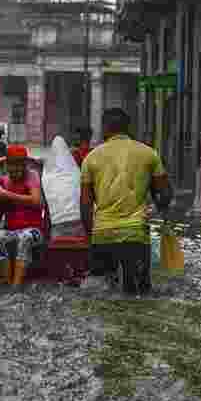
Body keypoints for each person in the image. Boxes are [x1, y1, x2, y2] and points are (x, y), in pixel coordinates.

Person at [80, 108, 173, 296]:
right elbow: (166, 194)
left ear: (105, 128)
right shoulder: (149, 154)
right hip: (136, 232)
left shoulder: (91, 158)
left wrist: (92, 238)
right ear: (128, 128)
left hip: (103, 232)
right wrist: (156, 207)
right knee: (140, 294)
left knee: (103, 296)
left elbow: (85, 205)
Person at [0, 144, 45, 286]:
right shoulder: (2, 180)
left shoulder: (32, 176)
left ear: (25, 165)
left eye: (19, 164)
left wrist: (6, 194)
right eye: (12, 165)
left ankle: (16, 285)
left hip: (33, 230)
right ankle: (7, 281)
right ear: (7, 165)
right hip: (11, 230)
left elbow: (36, 201)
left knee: (24, 237)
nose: (16, 169)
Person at [43, 135, 84, 238]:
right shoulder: (76, 174)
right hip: (78, 221)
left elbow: (47, 206)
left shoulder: (47, 177)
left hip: (57, 224)